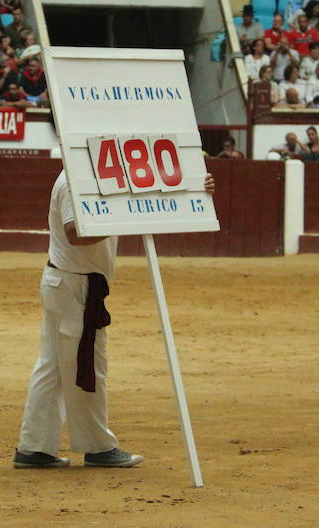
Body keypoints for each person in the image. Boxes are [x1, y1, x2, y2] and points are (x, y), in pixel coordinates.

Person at [14, 169, 216, 469]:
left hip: (70, 283)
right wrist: (124, 219)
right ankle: (97, 447)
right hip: (75, 287)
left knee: (53, 368)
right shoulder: (72, 180)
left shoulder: (99, 174)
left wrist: (193, 187)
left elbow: (151, 190)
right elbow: (75, 233)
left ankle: (34, 448)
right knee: (87, 367)